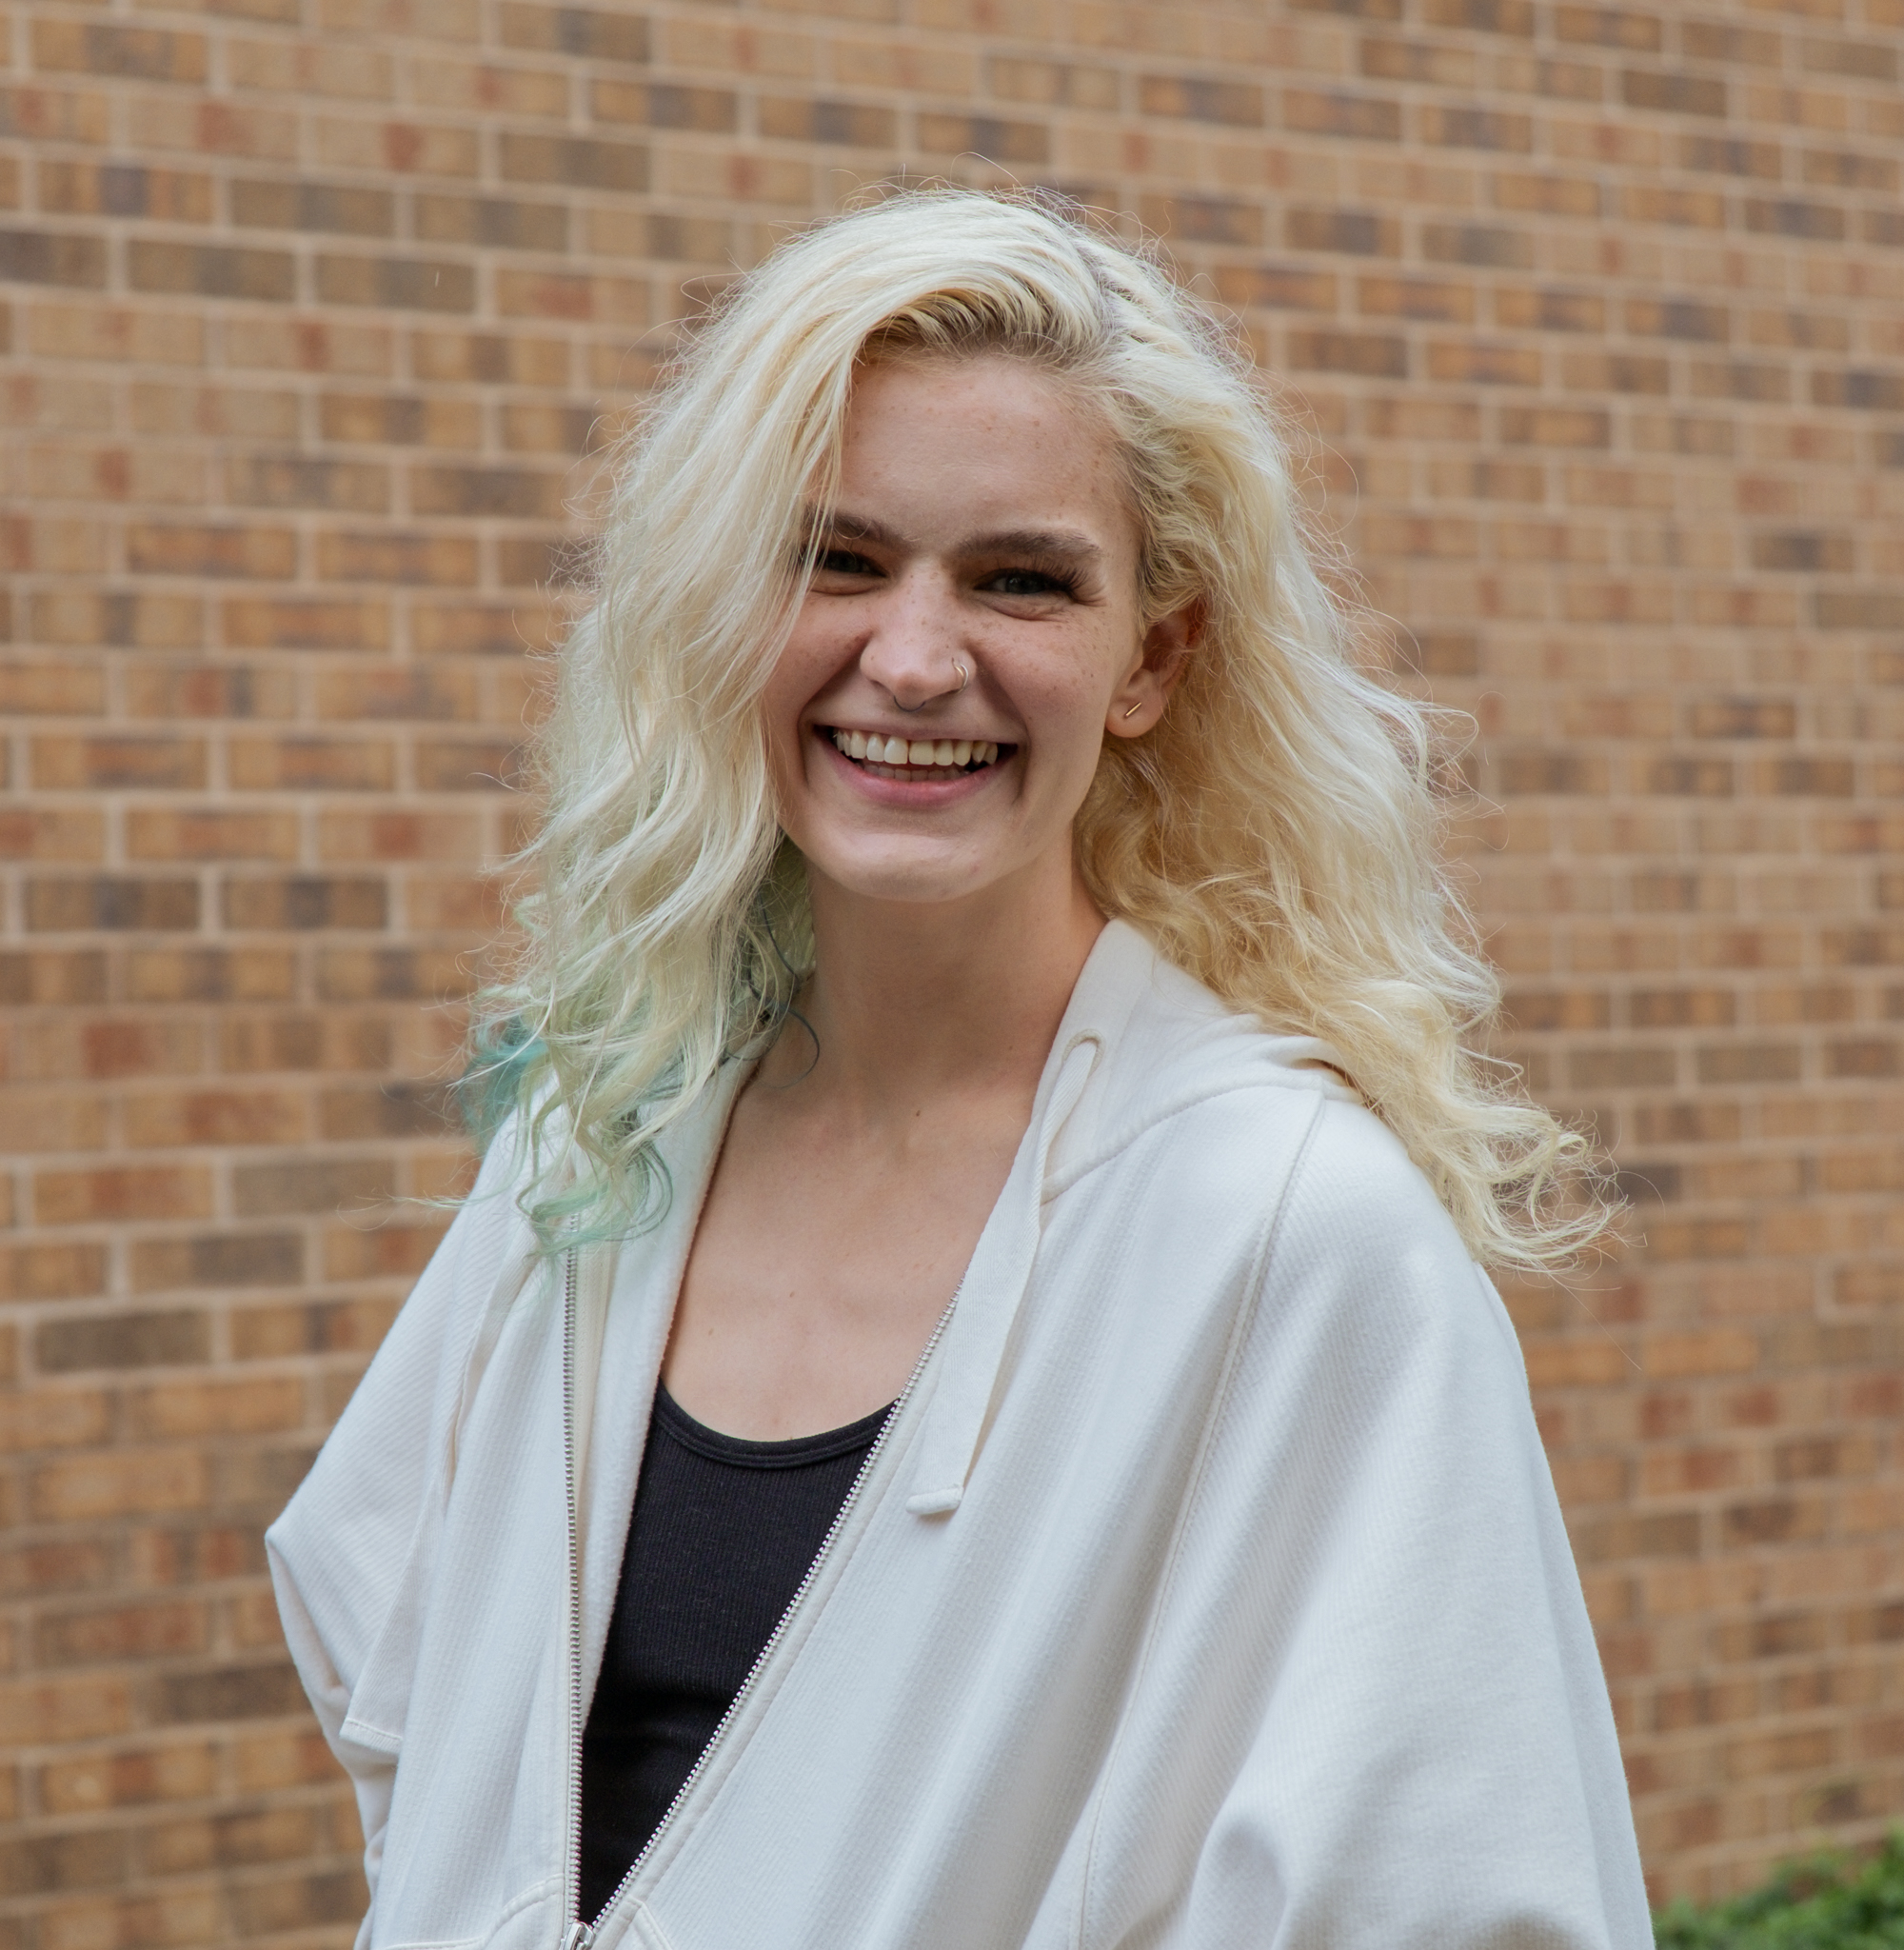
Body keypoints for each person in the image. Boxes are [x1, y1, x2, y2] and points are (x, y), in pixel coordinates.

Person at [268, 189, 1653, 1950]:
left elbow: (1449, 1897)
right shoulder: (602, 1133)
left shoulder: (1294, 1235)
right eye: (835, 561)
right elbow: (411, 1703)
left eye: (1021, 581)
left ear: (1153, 658)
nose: (915, 662)